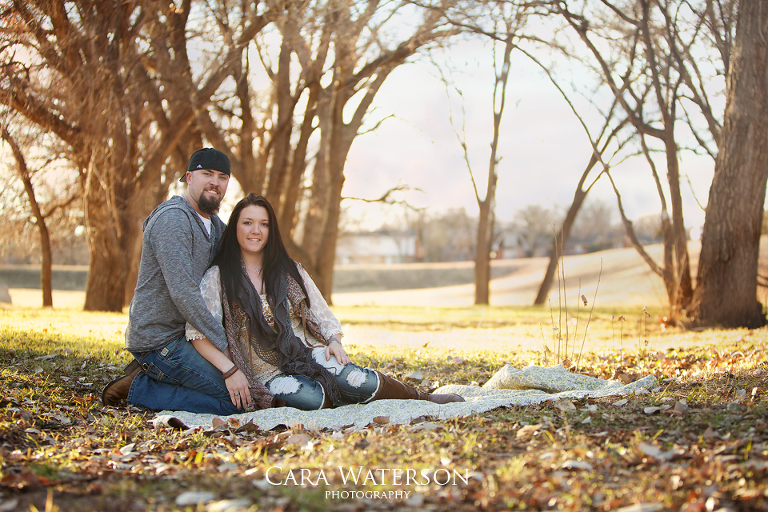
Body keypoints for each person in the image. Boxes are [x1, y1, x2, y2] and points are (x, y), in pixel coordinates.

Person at [186, 193, 464, 411]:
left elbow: (322, 314)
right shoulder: (217, 278)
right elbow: (196, 334)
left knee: (360, 380)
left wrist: (334, 341)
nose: (255, 230)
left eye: (264, 223)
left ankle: (422, 398)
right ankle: (344, 396)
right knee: (309, 398)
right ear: (235, 227)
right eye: (247, 222)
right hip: (264, 371)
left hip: (307, 352)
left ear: (271, 230)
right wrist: (230, 370)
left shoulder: (289, 270)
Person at [102, 148, 251, 415]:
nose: (214, 182)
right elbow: (184, 293)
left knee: (246, 390)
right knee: (236, 401)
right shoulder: (173, 219)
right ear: (189, 177)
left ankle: (162, 376)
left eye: (222, 177)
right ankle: (139, 387)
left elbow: (243, 270)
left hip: (191, 337)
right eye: (207, 174)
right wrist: (226, 351)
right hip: (160, 340)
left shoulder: (216, 227)